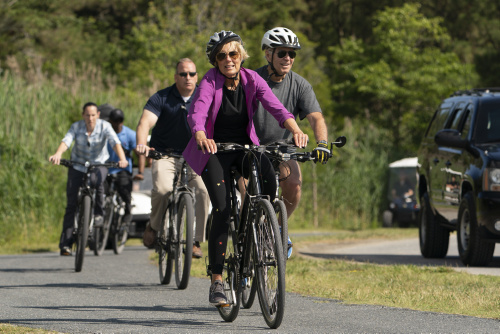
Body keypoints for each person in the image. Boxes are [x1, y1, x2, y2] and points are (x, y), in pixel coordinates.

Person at [182, 30, 308, 306]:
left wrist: (296, 130)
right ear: (215, 60)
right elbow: (198, 111)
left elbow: (277, 108)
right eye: (222, 55)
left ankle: (257, 230)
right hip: (212, 150)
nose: (229, 59)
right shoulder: (208, 81)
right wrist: (201, 134)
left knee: (270, 182)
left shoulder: (252, 78)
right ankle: (216, 280)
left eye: (233, 54)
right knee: (222, 208)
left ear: (242, 56)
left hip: (243, 148)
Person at [253, 27, 330, 257]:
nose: (288, 58)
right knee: (247, 191)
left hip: (284, 149)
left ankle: (277, 227)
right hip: (254, 148)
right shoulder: (253, 80)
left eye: (292, 54)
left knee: (294, 184)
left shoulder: (300, 85)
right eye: (282, 53)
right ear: (268, 54)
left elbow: (316, 117)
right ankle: (247, 243)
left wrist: (323, 143)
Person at [136, 58, 210, 259]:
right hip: (165, 154)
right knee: (162, 189)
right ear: (176, 76)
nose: (188, 78)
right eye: (183, 74)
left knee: (203, 191)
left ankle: (195, 241)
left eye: (192, 74)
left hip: (195, 154)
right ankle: (154, 226)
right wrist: (142, 144)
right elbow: (145, 123)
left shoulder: (203, 97)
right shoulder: (162, 97)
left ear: (197, 76)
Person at [49, 102, 128, 256]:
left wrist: (122, 158)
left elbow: (115, 142)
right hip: (78, 165)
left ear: (98, 115)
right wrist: (58, 153)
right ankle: (66, 244)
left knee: (98, 180)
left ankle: (98, 214)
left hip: (98, 164)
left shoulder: (105, 126)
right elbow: (66, 140)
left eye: (93, 115)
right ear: (83, 115)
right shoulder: (76, 127)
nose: (90, 118)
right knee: (71, 204)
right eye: (87, 115)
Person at [107, 108, 143, 224]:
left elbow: (140, 154)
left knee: (124, 188)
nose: (118, 123)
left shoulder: (130, 134)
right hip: (106, 168)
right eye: (115, 120)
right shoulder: (105, 133)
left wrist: (140, 172)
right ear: (110, 121)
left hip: (123, 169)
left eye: (120, 120)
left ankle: (128, 209)